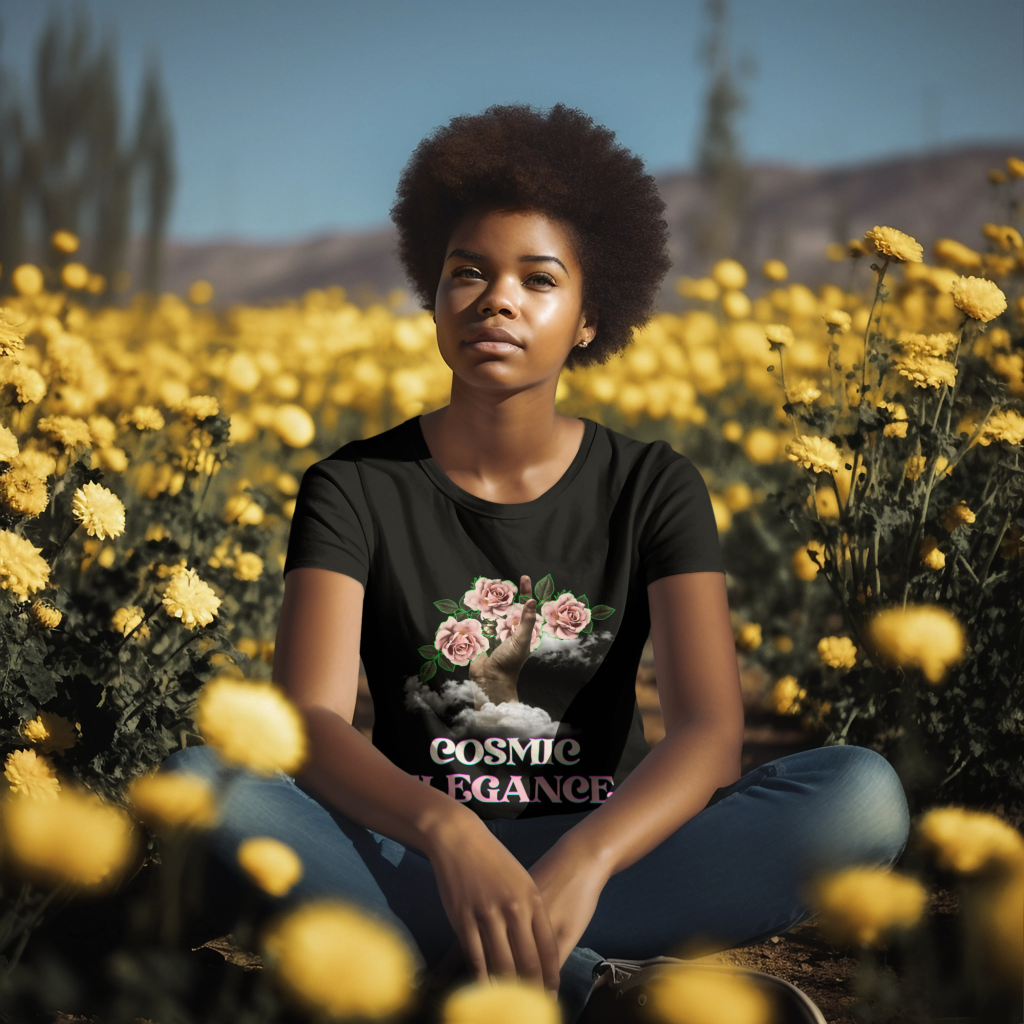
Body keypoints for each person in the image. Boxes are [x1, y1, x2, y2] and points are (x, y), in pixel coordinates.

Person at [167, 104, 910, 1022]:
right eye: (467, 272)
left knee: (860, 797)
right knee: (198, 782)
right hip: (414, 851)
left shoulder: (654, 484)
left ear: (590, 316)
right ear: (432, 294)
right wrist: (449, 831)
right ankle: (596, 993)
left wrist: (584, 862)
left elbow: (710, 733)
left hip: (610, 858)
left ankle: (441, 973)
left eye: (539, 279)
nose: (497, 299)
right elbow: (310, 723)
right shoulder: (352, 486)